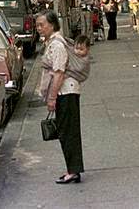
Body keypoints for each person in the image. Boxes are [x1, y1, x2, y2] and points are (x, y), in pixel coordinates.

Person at [36, 11, 84, 184]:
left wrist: (51, 98)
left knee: (68, 132)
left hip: (66, 92)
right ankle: (73, 169)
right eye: (37, 25)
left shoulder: (57, 45)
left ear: (52, 25)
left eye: (42, 25)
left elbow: (59, 73)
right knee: (66, 132)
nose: (39, 28)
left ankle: (73, 171)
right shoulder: (52, 43)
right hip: (65, 92)